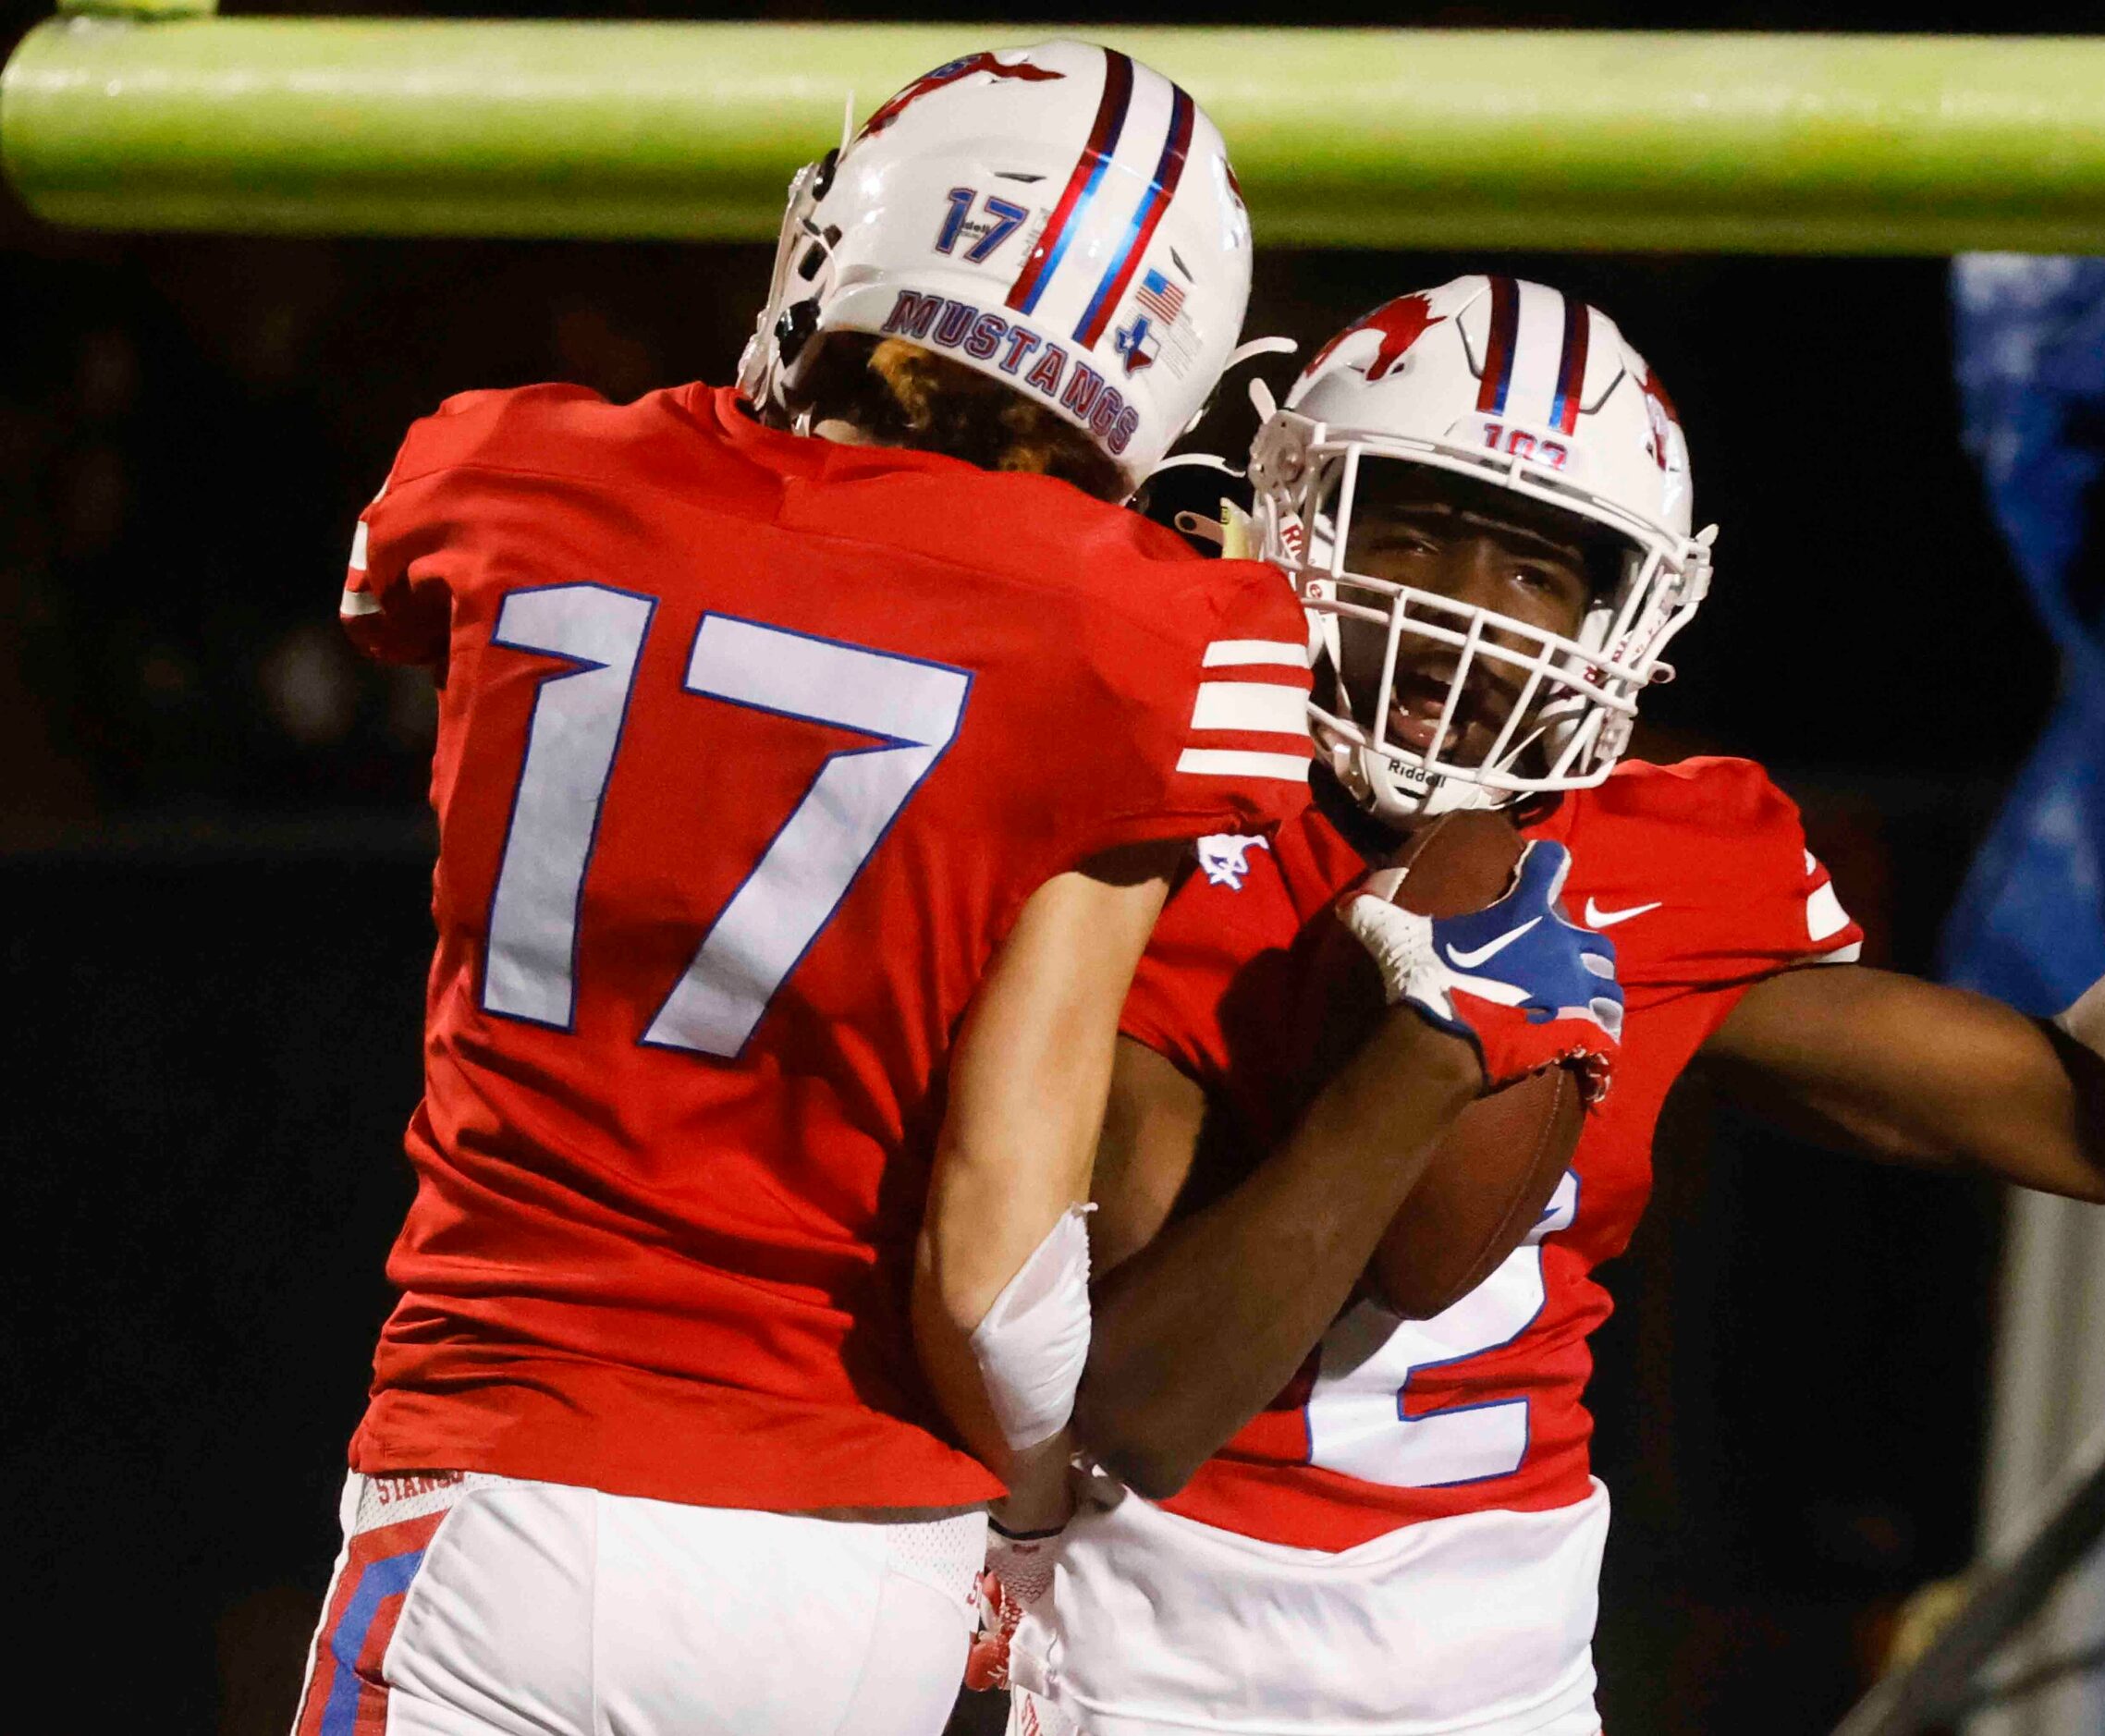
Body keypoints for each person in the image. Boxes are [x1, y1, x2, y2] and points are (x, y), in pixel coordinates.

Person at [1001, 275, 2105, 1736]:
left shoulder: (1657, 854)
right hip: (1146, 1643)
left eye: (1533, 571)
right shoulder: (1162, 822)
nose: (1462, 609)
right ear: (1293, 520)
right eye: (1409, 530)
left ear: (1627, 610)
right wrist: (1425, 1058)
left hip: (1503, 1666)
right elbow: (1139, 1411)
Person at [288, 42, 1338, 1736]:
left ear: (839, 247)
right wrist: (1029, 1478)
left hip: (510, 1475)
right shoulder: (1159, 632)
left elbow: (440, 612)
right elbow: (992, 1263)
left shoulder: (503, 470)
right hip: (860, 1567)